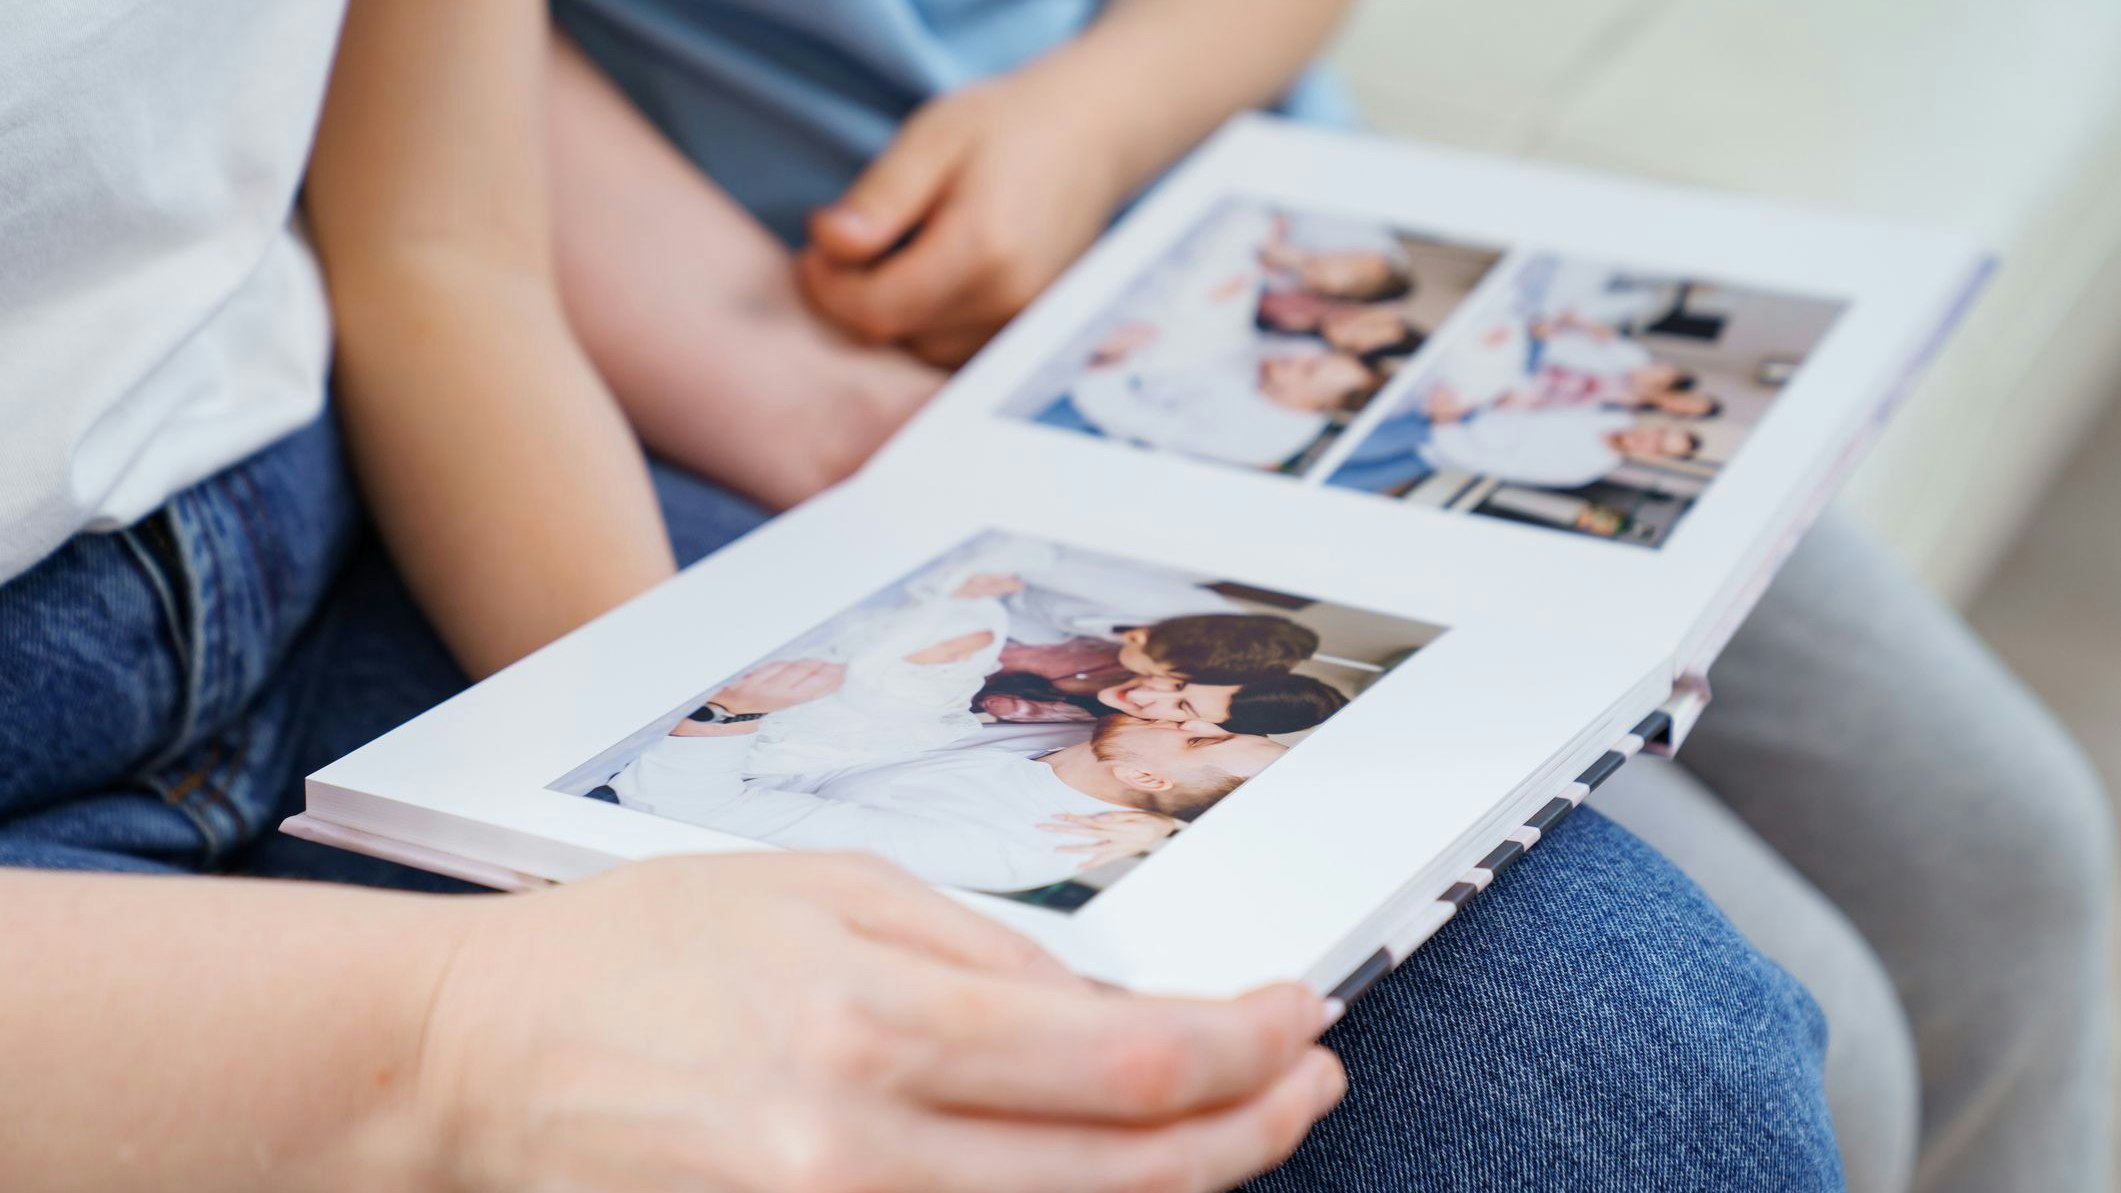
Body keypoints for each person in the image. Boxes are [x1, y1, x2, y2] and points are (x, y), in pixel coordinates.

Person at [607, 674, 1284, 892]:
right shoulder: (1087, 743)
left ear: (1142, 775)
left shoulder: (999, 845)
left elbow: (688, 804)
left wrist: (737, 709)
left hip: (630, 778)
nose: (1172, 716)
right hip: (717, 711)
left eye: (1196, 734)